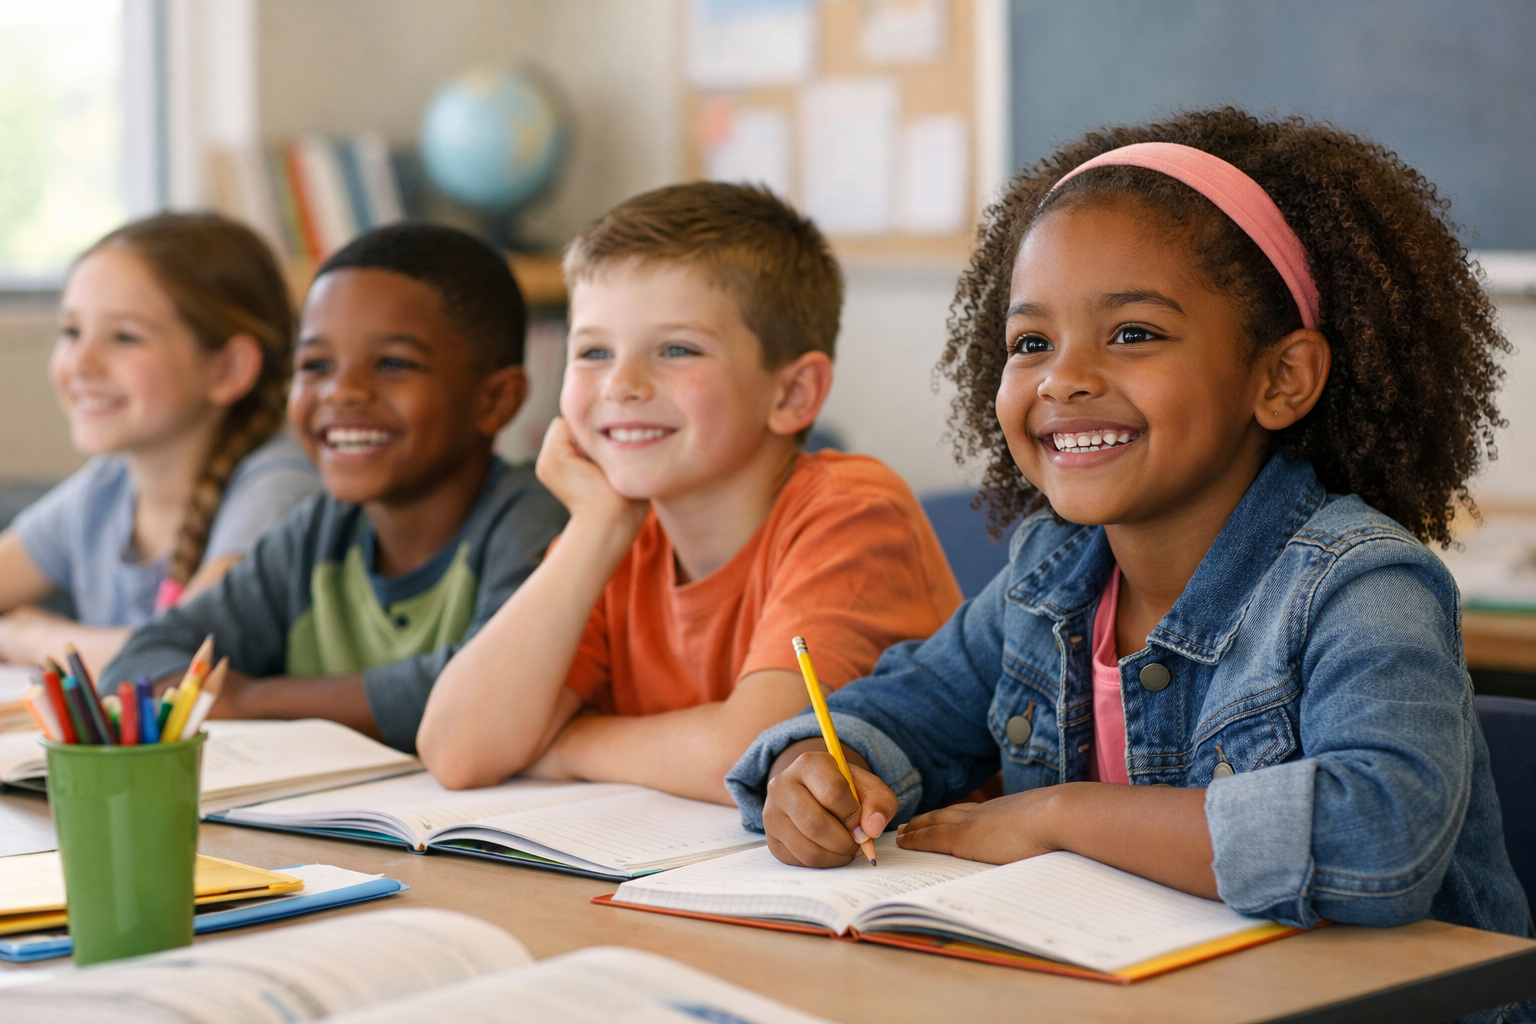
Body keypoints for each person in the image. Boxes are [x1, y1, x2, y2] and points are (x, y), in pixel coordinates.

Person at [731, 110, 1533, 956]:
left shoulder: (1361, 587)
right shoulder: (1050, 574)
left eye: (1134, 334)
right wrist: (821, 771)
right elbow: (905, 712)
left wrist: (1059, 815)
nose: (1066, 378)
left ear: (1282, 377)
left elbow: (1379, 835)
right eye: (1031, 340)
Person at [417, 183, 962, 801]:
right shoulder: (617, 535)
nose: (621, 384)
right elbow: (458, 750)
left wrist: (567, 743)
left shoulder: (854, 511)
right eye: (593, 351)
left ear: (793, 394)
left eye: (676, 349)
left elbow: (756, 749)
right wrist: (594, 529)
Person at [101, 223, 568, 751]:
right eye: (316, 365)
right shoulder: (316, 534)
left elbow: (481, 694)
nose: (341, 392)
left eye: (393, 364)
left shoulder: (533, 519)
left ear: (497, 400)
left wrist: (253, 700)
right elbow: (142, 663)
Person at [0, 214, 320, 674]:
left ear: (228, 368)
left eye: (125, 337)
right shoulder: (104, 489)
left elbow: (183, 661)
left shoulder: (278, 484)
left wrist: (27, 635)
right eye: (71, 332)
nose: (81, 363)